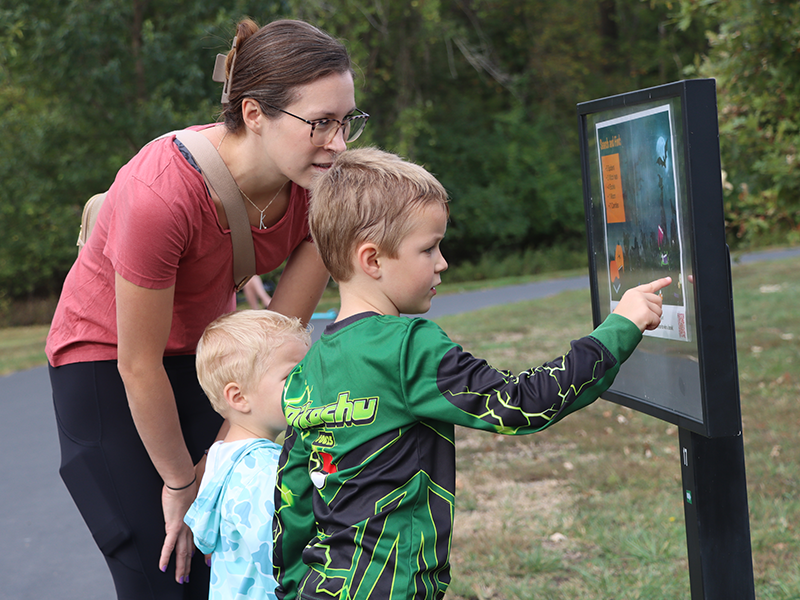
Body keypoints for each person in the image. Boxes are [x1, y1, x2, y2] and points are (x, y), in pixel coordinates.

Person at [45, 17, 367, 599]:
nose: (339, 144)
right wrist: (180, 481)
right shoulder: (161, 193)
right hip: (107, 365)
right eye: (320, 123)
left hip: (205, 356)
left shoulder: (322, 187)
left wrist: (226, 444)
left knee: (239, 558)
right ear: (253, 114)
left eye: (347, 121)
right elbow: (137, 365)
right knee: (165, 573)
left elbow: (279, 335)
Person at [272, 147, 671, 600]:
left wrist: (290, 587)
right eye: (428, 248)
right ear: (373, 260)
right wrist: (621, 327)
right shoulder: (406, 346)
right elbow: (520, 404)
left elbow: (294, 493)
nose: (442, 262)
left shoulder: (307, 367)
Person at [184, 309, 310, 600]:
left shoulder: (221, 457)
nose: (310, 385)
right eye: (293, 375)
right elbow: (284, 555)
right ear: (239, 398)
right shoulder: (263, 471)